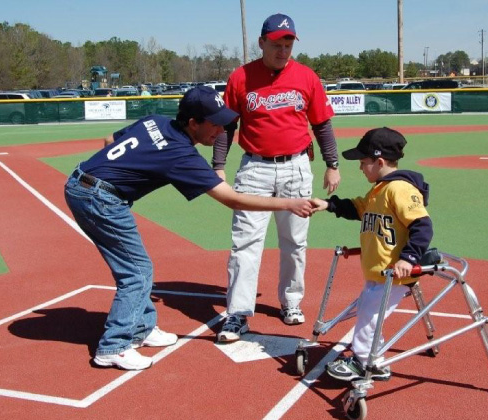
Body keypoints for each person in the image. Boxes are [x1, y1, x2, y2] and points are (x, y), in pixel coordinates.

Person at [64, 86, 315, 371]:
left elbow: (109, 139)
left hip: (86, 183)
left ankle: (141, 328)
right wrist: (288, 204)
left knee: (138, 266)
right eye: (215, 123)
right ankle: (114, 346)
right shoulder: (181, 154)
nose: (221, 130)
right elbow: (230, 198)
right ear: (193, 123)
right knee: (136, 272)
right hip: (99, 198)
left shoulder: (156, 121)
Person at [212, 13, 341, 343]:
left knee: (295, 241)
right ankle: (238, 312)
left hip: (296, 167)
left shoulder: (307, 77)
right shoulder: (241, 77)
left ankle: (292, 302)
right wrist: (218, 165)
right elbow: (228, 125)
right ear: (261, 43)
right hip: (254, 169)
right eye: (276, 44)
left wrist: (332, 164)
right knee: (245, 242)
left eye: (287, 44)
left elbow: (322, 125)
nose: (282, 50)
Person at [310, 127, 433, 381]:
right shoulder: (380, 189)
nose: (360, 167)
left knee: (369, 314)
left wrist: (408, 258)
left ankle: (363, 361)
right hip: (379, 272)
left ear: (379, 161)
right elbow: (359, 208)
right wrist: (329, 205)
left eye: (363, 162)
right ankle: (373, 360)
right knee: (369, 310)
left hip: (394, 274)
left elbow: (422, 225)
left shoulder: (399, 189)